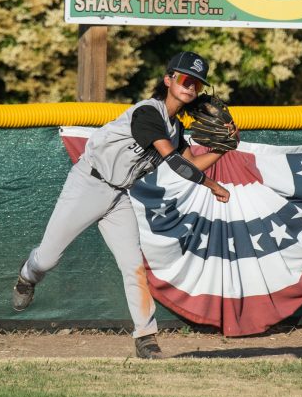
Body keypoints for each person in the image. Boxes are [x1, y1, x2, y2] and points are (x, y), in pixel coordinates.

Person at [12, 51, 232, 359]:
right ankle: (27, 275)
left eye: (196, 83)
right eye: (184, 79)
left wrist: (223, 148)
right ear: (168, 80)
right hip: (88, 183)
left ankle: (146, 338)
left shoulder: (174, 127)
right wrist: (213, 187)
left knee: (134, 267)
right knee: (47, 260)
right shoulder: (149, 113)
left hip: (118, 195)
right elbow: (175, 163)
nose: (190, 86)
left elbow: (192, 161)